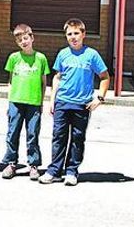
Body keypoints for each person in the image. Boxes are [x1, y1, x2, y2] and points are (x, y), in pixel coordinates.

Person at [39, 18, 110, 187]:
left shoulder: (92, 55)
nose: (73, 37)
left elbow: (105, 77)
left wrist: (99, 98)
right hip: (62, 102)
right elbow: (57, 77)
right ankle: (54, 171)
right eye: (69, 34)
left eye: (76, 33)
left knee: (77, 138)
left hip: (82, 105)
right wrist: (51, 100)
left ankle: (71, 171)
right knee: (59, 137)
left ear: (83, 34)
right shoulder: (63, 54)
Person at [1, 24, 49, 181]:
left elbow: (43, 82)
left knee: (32, 133)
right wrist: (8, 102)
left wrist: (41, 102)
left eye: (26, 38)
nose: (23, 42)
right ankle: (11, 163)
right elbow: (10, 81)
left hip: (33, 102)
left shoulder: (41, 58)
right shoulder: (14, 58)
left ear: (32, 38)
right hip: (16, 101)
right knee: (12, 132)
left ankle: (33, 164)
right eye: (20, 40)